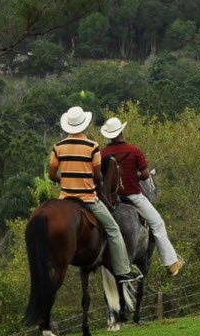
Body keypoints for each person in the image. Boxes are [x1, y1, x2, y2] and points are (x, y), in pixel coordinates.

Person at [48, 107, 141, 283]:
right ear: (84, 125)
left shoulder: (58, 147)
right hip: (87, 199)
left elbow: (51, 175)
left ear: (68, 126)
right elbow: (98, 176)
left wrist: (66, 181)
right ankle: (123, 271)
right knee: (113, 229)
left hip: (65, 199)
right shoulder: (92, 147)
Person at [101, 117, 185, 277]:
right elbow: (146, 175)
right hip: (132, 196)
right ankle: (171, 263)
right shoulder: (134, 150)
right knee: (157, 223)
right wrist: (135, 176)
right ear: (121, 131)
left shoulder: (103, 153)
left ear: (108, 135)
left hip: (110, 201)